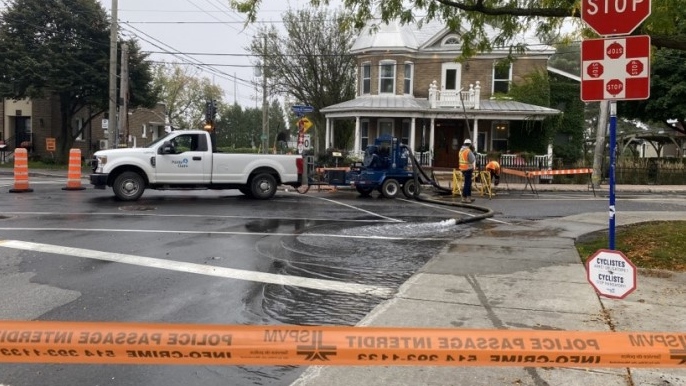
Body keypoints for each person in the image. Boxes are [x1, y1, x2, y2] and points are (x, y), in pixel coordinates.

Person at [458, 138, 476, 203]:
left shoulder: (461, 150)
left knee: (468, 183)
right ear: (469, 144)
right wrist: (474, 153)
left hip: (462, 169)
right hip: (467, 169)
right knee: (467, 184)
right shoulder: (468, 151)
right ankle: (464, 197)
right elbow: (472, 160)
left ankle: (469, 197)